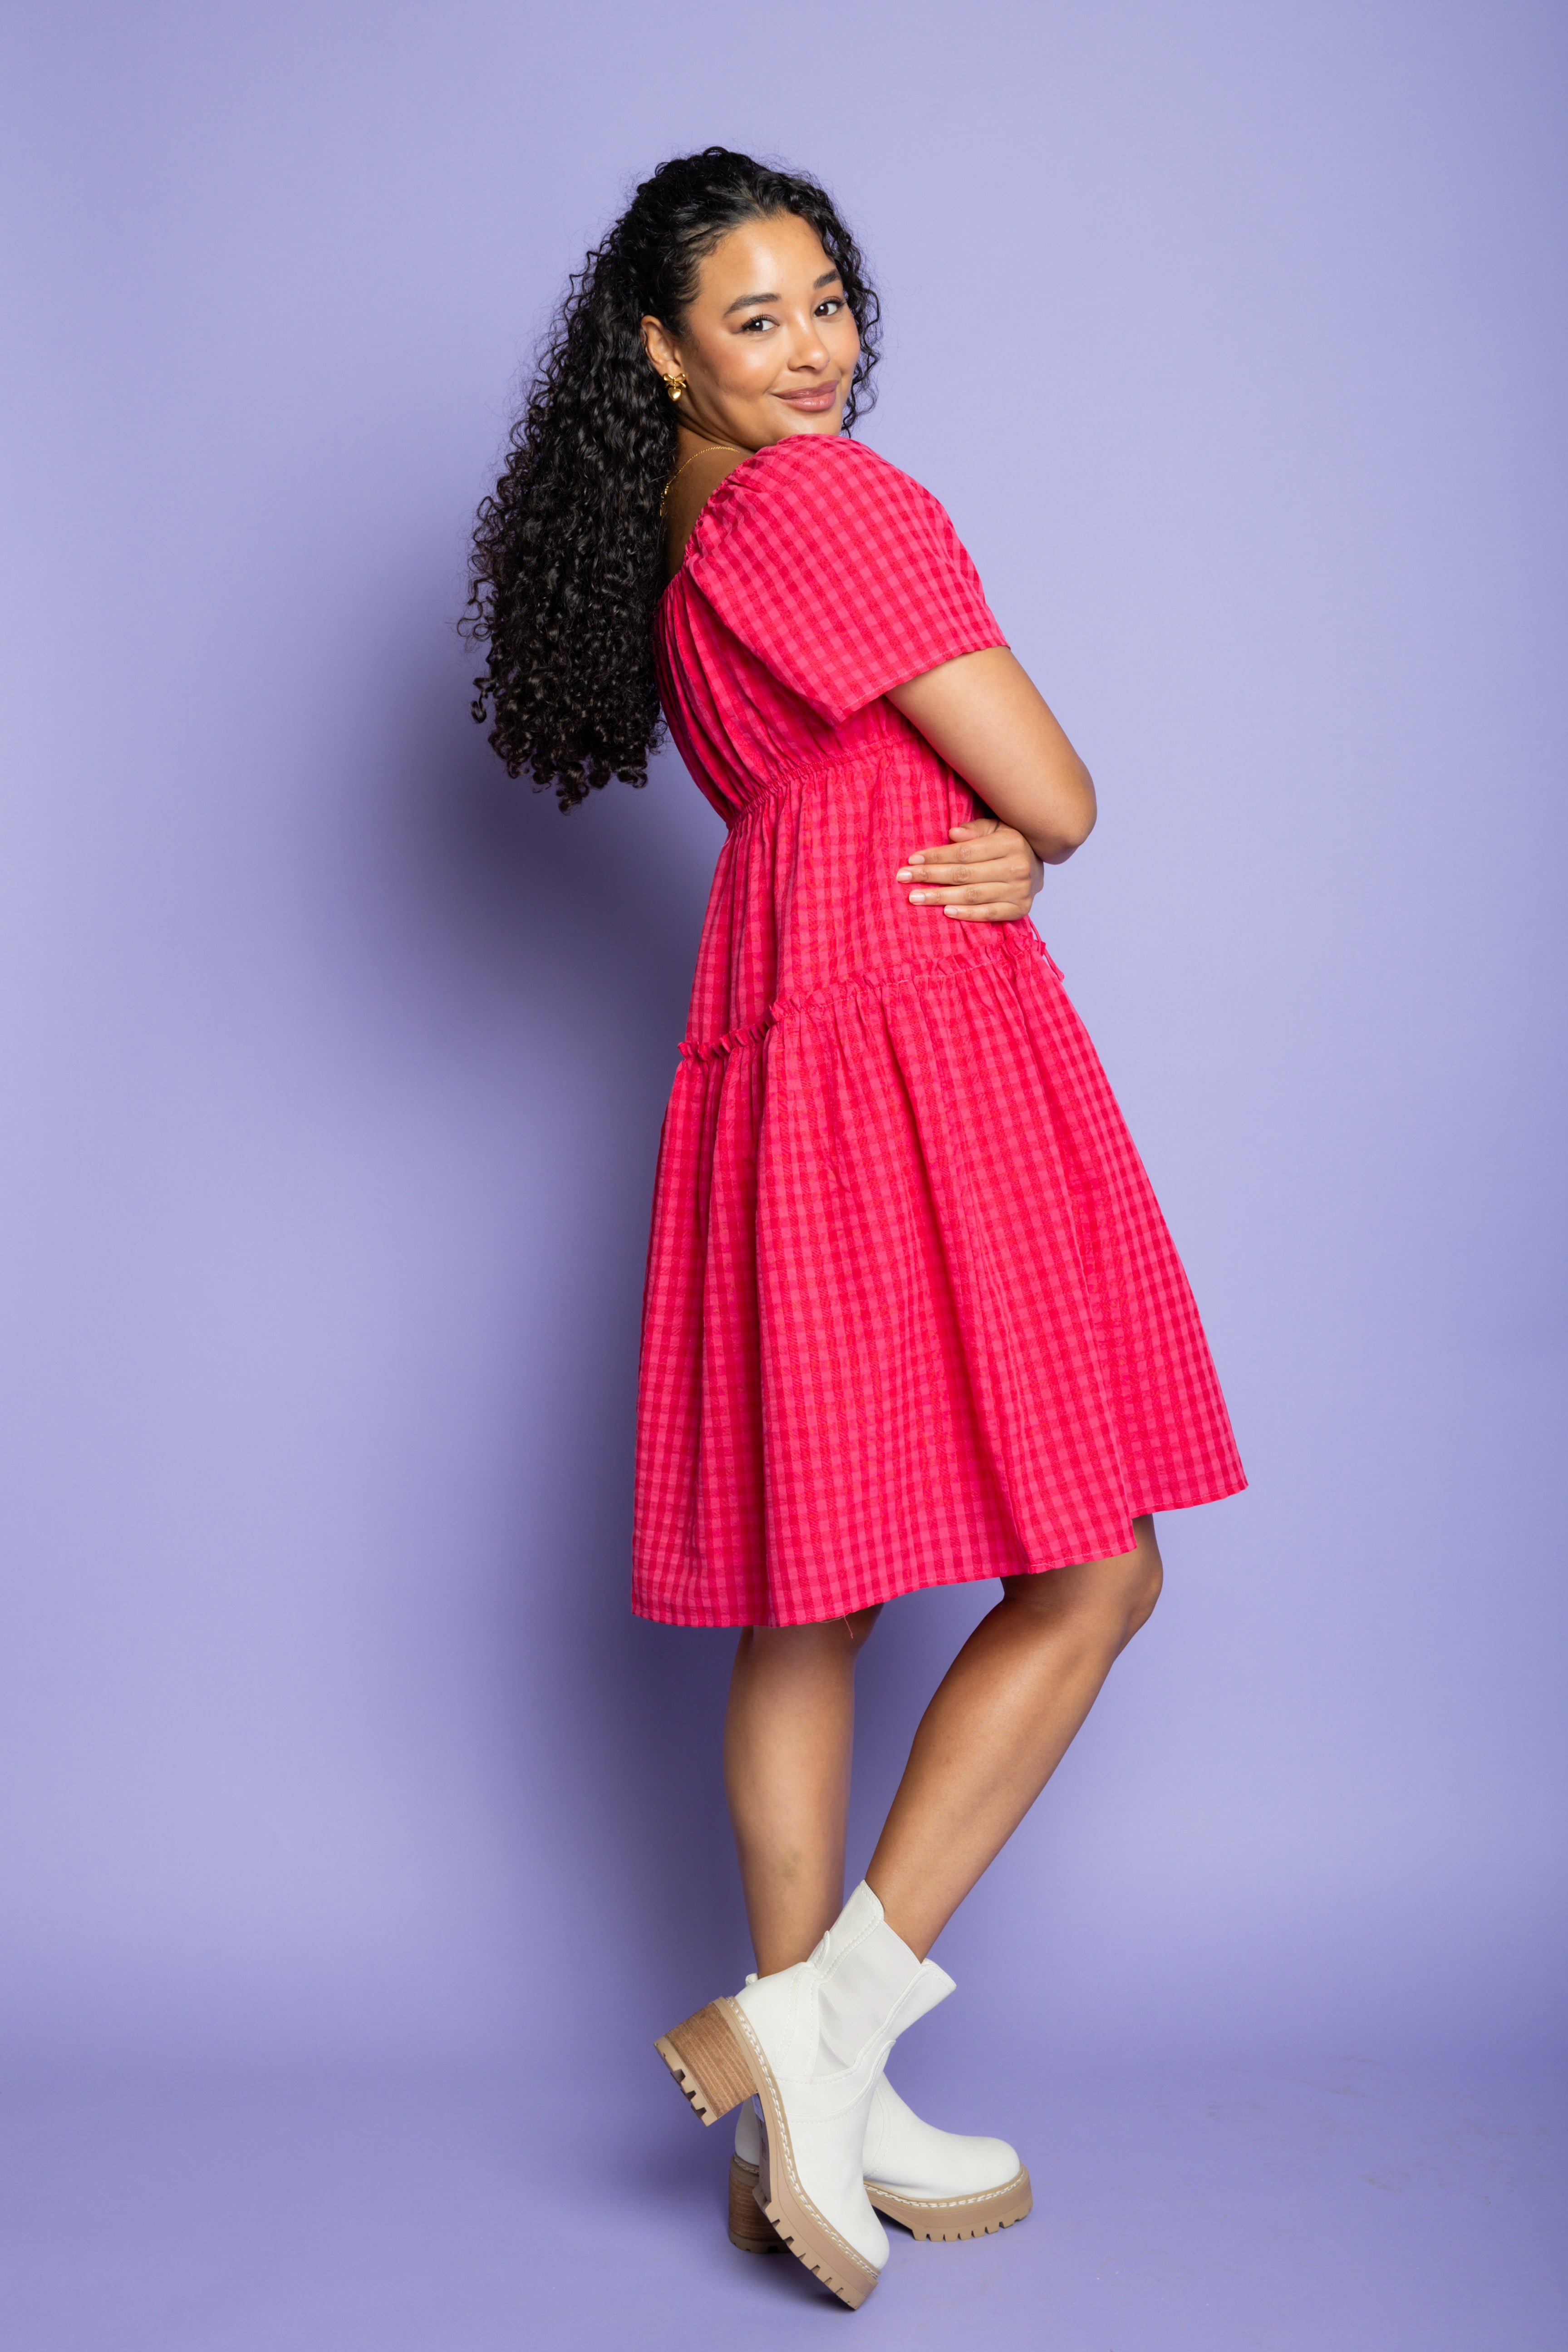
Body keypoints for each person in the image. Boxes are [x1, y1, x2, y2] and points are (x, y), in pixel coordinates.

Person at [467, 147, 1244, 2310]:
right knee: (1097, 1562)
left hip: (779, 1013)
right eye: (758, 317)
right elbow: (1061, 789)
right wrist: (1020, 833)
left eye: (830, 305)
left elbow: (870, 779)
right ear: (663, 349)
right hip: (906, 1018)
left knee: (817, 1585)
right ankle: (831, 2028)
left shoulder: (684, 542)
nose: (816, 351)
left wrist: (978, 825)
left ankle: (799, 2101)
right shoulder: (832, 505)